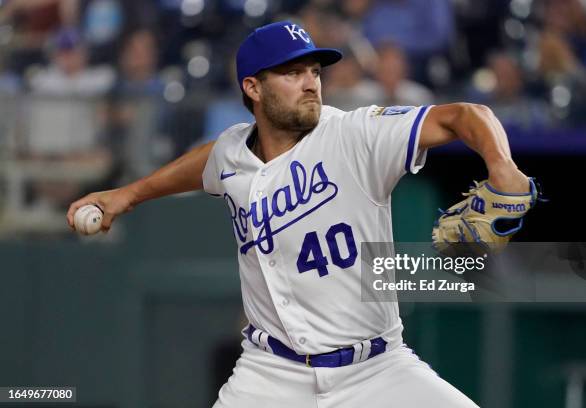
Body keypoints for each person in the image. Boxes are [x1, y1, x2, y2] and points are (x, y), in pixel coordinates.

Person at [67, 21, 531, 407]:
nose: (310, 82)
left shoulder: (356, 135)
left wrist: (502, 166)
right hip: (271, 374)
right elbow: (208, 162)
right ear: (253, 87)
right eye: (291, 73)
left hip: (376, 370)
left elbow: (465, 115)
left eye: (314, 70)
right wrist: (127, 195)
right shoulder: (232, 151)